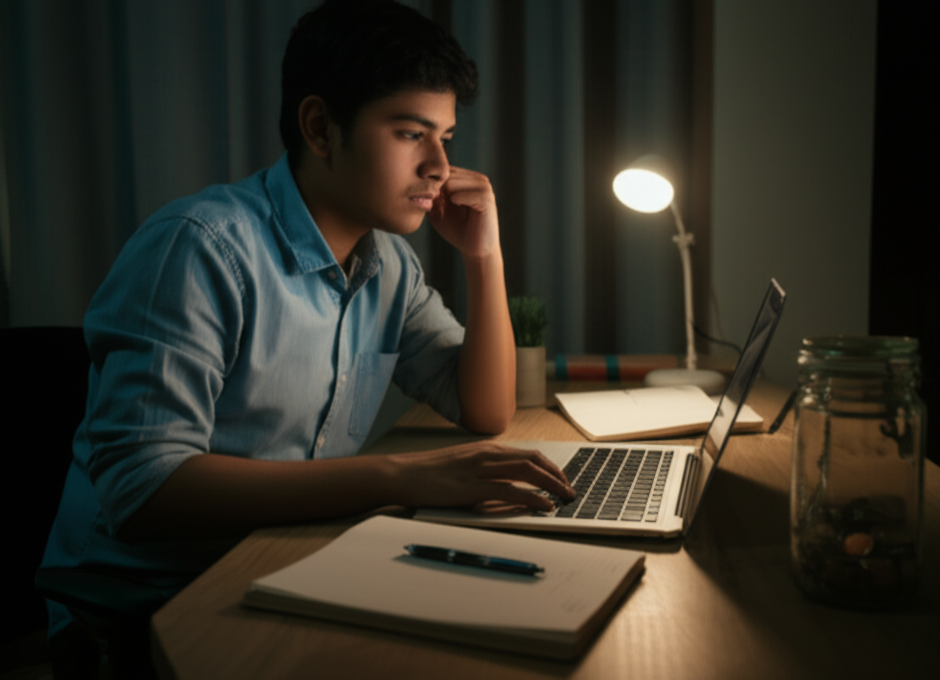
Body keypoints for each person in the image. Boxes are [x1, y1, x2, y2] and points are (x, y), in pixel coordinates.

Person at [41, 0, 574, 646]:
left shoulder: (389, 266)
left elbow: (485, 409)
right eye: (411, 133)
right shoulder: (200, 248)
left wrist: (483, 257)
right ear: (321, 128)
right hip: (142, 604)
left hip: (282, 564)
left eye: (447, 138)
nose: (438, 165)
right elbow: (144, 486)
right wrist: (398, 477)